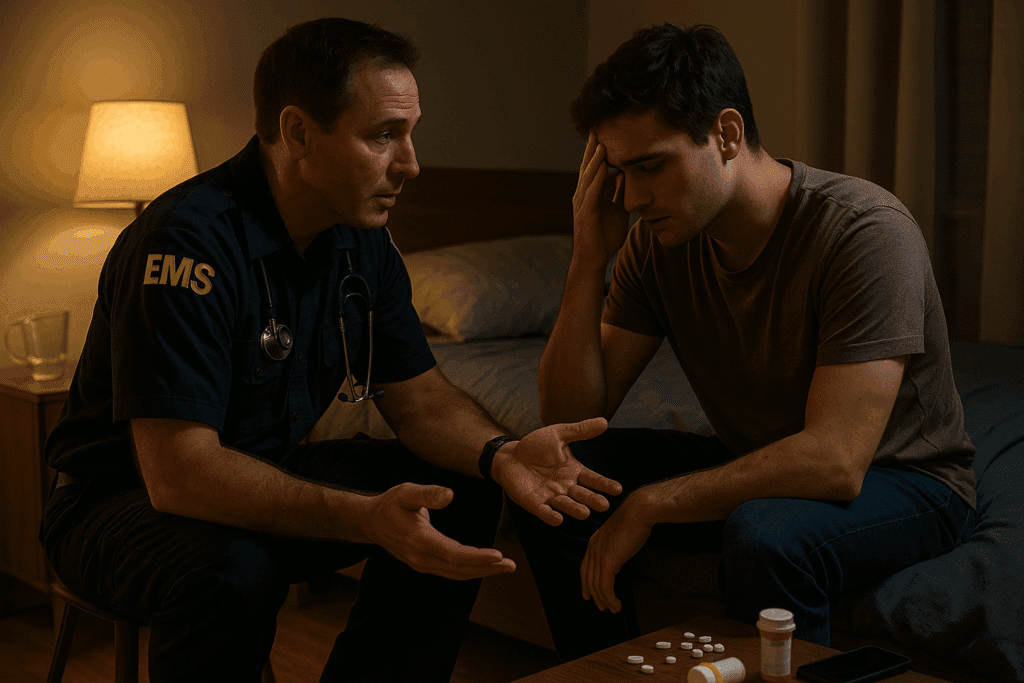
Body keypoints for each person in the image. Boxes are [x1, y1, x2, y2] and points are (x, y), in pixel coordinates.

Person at [41, 18, 620, 683]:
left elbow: (422, 397)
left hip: (262, 471)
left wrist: (503, 454)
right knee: (233, 568)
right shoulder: (185, 242)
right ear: (298, 133)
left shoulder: (361, 237)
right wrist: (367, 518)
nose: (411, 163)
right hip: (117, 504)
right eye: (383, 136)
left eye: (409, 132)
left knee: (455, 490)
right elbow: (180, 474)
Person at [508, 23, 977, 662]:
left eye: (650, 167)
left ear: (726, 135)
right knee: (554, 479)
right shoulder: (655, 241)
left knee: (767, 534)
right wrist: (589, 257)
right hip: (763, 459)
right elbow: (569, 422)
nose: (634, 197)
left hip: (904, 481)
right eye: (619, 172)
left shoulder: (865, 230)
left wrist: (652, 504)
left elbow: (836, 462)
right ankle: (608, 672)